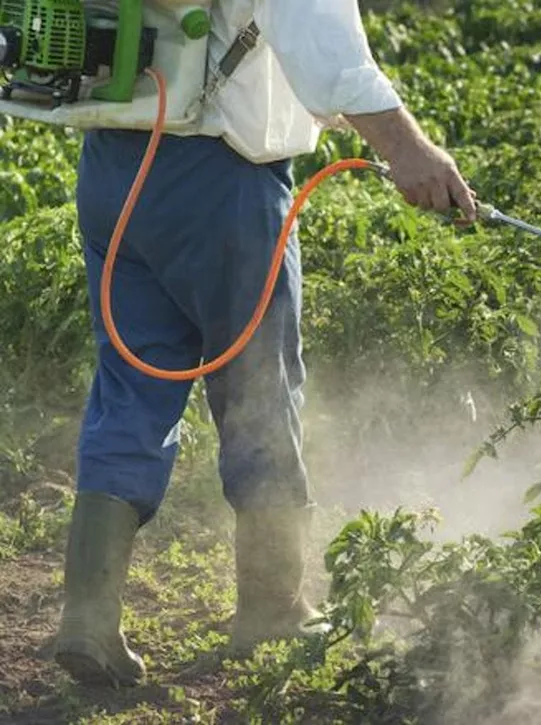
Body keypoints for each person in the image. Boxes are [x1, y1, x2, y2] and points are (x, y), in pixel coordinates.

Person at [51, 0, 475, 688]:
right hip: (220, 182)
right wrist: (407, 149)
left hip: (114, 164)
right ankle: (273, 607)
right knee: (260, 389)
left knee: (128, 389)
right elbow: (324, 45)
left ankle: (88, 618)